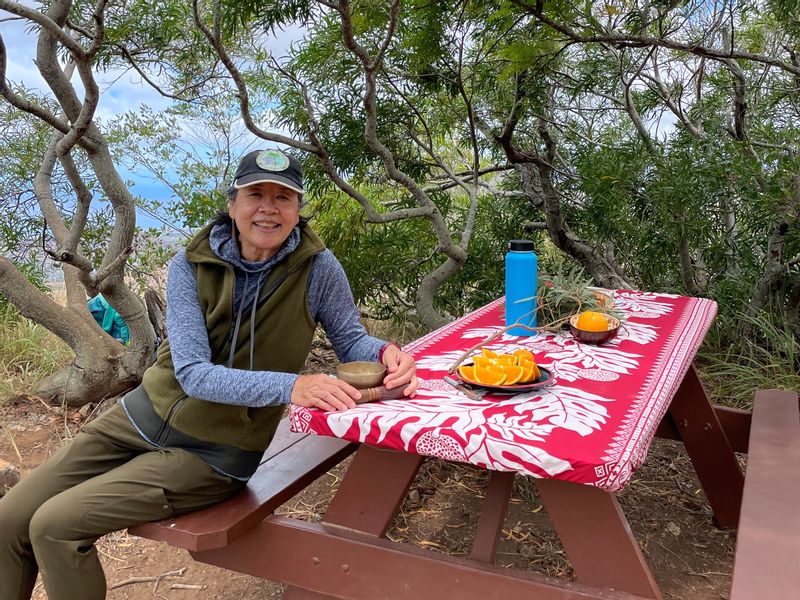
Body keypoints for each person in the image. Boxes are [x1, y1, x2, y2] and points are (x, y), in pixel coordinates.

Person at [0, 148, 418, 600]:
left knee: (54, 527)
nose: (269, 207)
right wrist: (293, 386)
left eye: (284, 197)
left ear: (298, 210)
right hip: (139, 418)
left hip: (215, 452)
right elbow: (195, 374)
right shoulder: (191, 265)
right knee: (9, 520)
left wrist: (389, 353)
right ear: (233, 203)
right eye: (256, 194)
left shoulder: (318, 269)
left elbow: (352, 341)